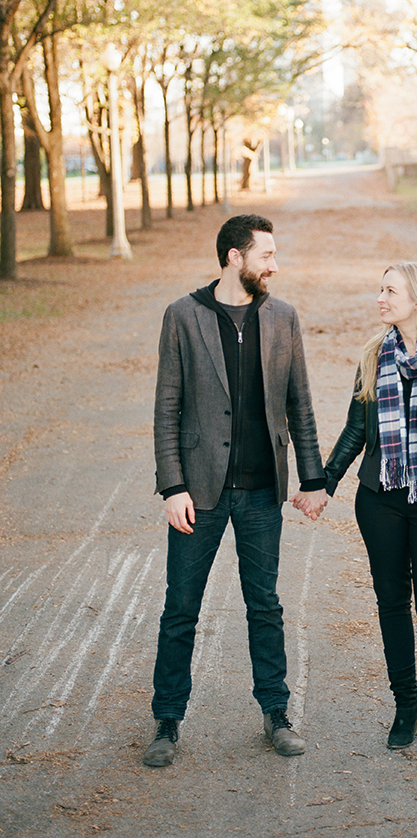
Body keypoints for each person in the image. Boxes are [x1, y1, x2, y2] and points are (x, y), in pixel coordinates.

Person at [143, 214, 328, 767]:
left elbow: (300, 403)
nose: (275, 265)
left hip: (261, 491)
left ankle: (276, 712)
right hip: (198, 492)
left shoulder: (283, 318)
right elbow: (166, 408)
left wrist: (313, 478)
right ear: (233, 256)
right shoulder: (183, 316)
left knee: (264, 605)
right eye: (266, 255)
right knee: (181, 608)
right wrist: (172, 486)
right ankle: (167, 720)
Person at [294, 261, 417, 751]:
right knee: (391, 604)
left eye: (390, 290)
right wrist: (323, 484)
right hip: (380, 500)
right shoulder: (375, 355)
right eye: (380, 289)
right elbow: (356, 431)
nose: (380, 298)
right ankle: (407, 706)